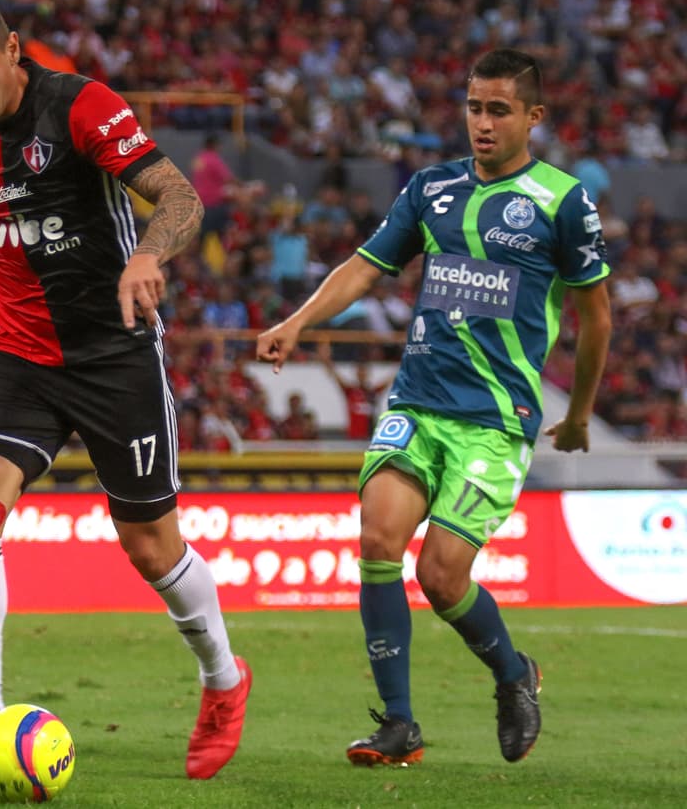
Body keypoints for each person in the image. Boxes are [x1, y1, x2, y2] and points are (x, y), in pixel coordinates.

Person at [0, 0, 250, 781]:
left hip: (114, 355)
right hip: (23, 356)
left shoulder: (81, 106)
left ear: (15, 49)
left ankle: (224, 681)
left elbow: (180, 196)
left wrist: (147, 258)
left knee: (150, 545)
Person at [257, 48, 611, 767]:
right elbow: (365, 263)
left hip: (495, 418)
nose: (482, 122)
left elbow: (596, 317)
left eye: (500, 109)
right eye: (475, 107)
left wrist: (576, 416)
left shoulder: (563, 201)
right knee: (377, 540)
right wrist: (299, 320)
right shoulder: (432, 188)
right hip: (417, 402)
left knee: (442, 574)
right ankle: (398, 725)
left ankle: (515, 674)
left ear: (533, 117)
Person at [318, 341, 389, 440]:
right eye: (359, 372)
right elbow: (335, 375)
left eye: (363, 372)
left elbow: (391, 379)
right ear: (356, 374)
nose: (361, 375)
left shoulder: (373, 392)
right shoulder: (350, 391)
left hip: (370, 438)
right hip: (353, 438)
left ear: (368, 374)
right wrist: (325, 359)